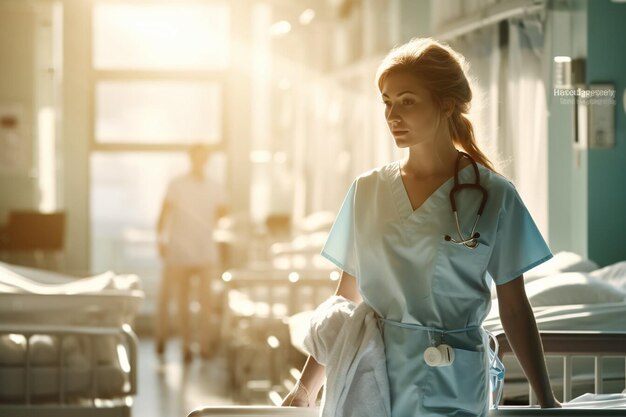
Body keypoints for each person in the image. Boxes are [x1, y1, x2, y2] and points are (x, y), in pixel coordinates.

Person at [281, 37, 562, 415]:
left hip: (453, 380)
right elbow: (345, 304)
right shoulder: (368, 191)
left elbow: (514, 307)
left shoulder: (492, 195)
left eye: (407, 101)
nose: (393, 115)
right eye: (387, 102)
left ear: (446, 103)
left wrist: (547, 401)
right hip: (371, 372)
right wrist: (304, 389)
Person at [154, 144, 227, 363]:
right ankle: (186, 345)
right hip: (180, 251)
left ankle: (203, 345)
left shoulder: (215, 187)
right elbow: (163, 215)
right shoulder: (176, 185)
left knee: (206, 302)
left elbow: (222, 217)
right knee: (182, 301)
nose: (200, 161)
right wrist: (160, 241)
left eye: (204, 157)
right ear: (190, 158)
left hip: (205, 250)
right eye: (197, 156)